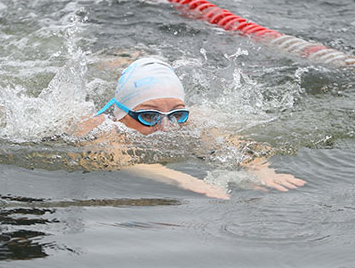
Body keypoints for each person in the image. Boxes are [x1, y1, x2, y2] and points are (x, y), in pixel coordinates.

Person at [74, 57, 306, 199]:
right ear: (120, 114)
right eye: (148, 116)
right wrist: (185, 180)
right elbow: (118, 160)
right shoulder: (96, 126)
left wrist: (259, 168)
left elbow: (235, 145)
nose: (166, 127)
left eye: (177, 114)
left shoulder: (194, 122)